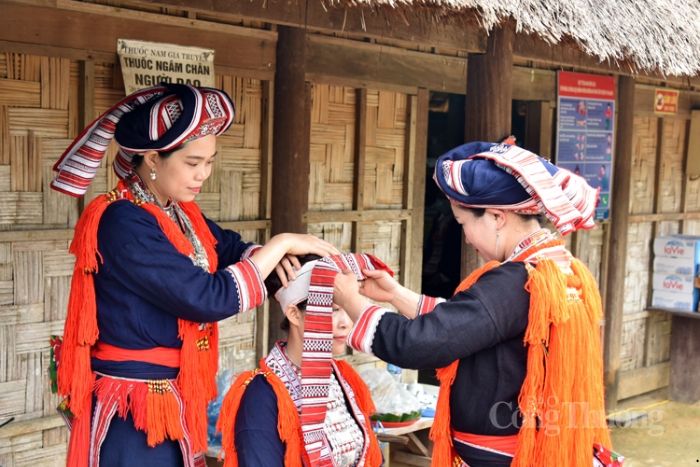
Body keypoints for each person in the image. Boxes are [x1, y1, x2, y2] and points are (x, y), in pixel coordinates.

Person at [51, 83, 338, 467]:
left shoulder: (179, 214)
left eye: (210, 161)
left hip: (172, 397)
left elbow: (231, 250)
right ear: (153, 158)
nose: (203, 174)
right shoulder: (123, 221)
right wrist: (282, 242)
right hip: (134, 410)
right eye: (192, 163)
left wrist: (288, 265)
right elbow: (205, 297)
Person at [333, 142, 615, 467]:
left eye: (464, 223)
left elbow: (421, 343)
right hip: (540, 442)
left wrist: (351, 301)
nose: (465, 238)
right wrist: (396, 295)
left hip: (508, 454)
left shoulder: (516, 281)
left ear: (496, 216)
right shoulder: (560, 267)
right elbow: (469, 325)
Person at [217, 254, 388, 467]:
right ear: (294, 314)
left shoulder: (344, 377)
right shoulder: (261, 396)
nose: (346, 323)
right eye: (333, 310)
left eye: (349, 309)